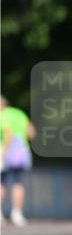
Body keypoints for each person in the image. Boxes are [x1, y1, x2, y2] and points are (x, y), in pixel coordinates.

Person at [0, 95, 36, 227]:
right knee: (18, 182)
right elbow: (32, 132)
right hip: (22, 152)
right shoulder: (18, 113)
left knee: (1, 182)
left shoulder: (3, 116)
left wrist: (4, 151)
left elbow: (8, 133)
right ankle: (17, 213)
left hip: (7, 151)